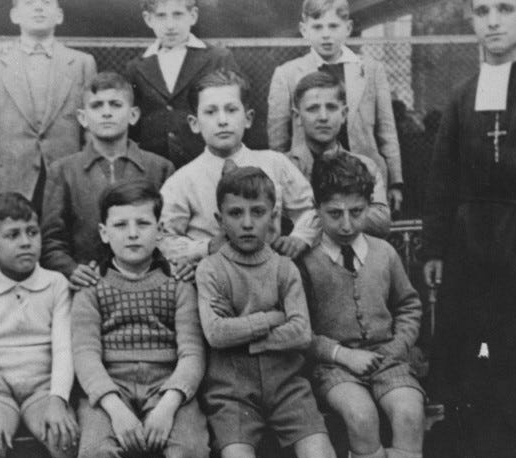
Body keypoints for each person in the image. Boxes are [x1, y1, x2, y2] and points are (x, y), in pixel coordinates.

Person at [422, 0, 516, 458]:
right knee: (479, 357)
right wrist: (435, 246)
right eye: (482, 11)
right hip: (473, 250)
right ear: (472, 22)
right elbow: (442, 176)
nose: (494, 21)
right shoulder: (464, 94)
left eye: (505, 8)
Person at [196, 167, 336, 458]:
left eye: (257, 212)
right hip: (231, 392)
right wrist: (271, 318)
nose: (247, 223)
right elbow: (216, 333)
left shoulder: (285, 269)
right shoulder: (211, 270)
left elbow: (301, 333)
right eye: (235, 213)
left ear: (273, 216)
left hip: (287, 387)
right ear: (220, 220)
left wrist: (244, 336)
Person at [72, 180, 209, 458]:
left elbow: (192, 353)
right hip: (110, 387)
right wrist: (115, 409)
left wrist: (168, 405)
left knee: (187, 451)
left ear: (159, 231)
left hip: (168, 384)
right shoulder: (90, 289)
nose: (133, 233)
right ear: (104, 233)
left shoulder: (180, 285)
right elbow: (85, 355)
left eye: (143, 223)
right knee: (97, 453)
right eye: (120, 225)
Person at [300, 154, 424, 458]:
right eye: (334, 213)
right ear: (316, 209)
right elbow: (300, 331)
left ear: (369, 206)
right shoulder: (307, 263)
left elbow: (409, 306)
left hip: (389, 359)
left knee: (410, 412)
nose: (346, 224)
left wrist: (398, 347)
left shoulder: (384, 253)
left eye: (356, 212)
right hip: (335, 368)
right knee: (360, 413)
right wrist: (342, 355)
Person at [0, 192, 79, 458]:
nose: (26, 242)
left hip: (42, 388)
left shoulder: (56, 284)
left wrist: (58, 400)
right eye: (12, 235)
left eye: (32, 232)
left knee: (65, 443)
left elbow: (64, 350)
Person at [160, 69, 319, 266]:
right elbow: (163, 239)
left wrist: (300, 237)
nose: (222, 120)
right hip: (212, 278)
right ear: (194, 123)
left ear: (248, 118)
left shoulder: (275, 164)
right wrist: (204, 248)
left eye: (231, 109)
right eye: (210, 112)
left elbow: (311, 208)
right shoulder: (182, 181)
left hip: (269, 274)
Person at [41, 72, 175, 290]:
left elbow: (168, 234)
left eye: (115, 104)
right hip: (88, 286)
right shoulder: (64, 171)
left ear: (133, 115)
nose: (106, 113)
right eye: (96, 106)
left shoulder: (159, 168)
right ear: (83, 118)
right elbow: (51, 241)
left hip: (148, 285)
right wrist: (71, 269)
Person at [267, 0, 403, 212]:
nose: (326, 35)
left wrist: (395, 182)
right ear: (304, 30)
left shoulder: (371, 70)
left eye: (333, 26)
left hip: (363, 177)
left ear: (348, 28)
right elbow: (278, 140)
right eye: (318, 27)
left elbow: (387, 129)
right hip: (307, 178)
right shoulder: (287, 74)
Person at [0, 0, 96, 210]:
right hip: (9, 180)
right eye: (29, 3)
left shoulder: (82, 63)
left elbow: (90, 130)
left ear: (59, 15)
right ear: (14, 15)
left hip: (66, 179)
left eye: (46, 2)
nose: (38, 7)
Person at [125, 0, 239, 169]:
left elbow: (236, 111)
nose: (170, 25)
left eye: (178, 14)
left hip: (207, 162)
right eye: (161, 16)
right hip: (156, 166)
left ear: (193, 16)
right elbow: (133, 125)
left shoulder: (217, 58)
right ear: (148, 19)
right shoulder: (136, 67)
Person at [291, 71, 391, 237]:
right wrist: (353, 210)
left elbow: (381, 222)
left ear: (344, 114)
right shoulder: (284, 165)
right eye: (313, 109)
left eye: (331, 107)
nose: (323, 117)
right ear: (297, 117)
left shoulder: (365, 165)